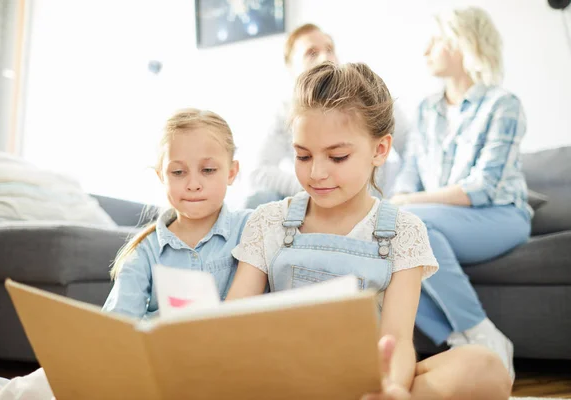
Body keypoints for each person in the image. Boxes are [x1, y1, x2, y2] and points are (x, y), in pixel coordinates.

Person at [227, 61, 512, 400]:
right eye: (303, 156)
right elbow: (232, 322)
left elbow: (397, 338)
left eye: (337, 157)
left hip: (365, 385)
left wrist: (391, 388)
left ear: (380, 149)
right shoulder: (269, 221)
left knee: (485, 367)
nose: (316, 173)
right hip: (285, 382)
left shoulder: (404, 231)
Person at [0, 108, 251, 398]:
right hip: (150, 365)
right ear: (161, 176)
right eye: (178, 172)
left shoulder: (251, 227)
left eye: (208, 170)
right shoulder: (145, 251)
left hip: (213, 370)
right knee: (63, 376)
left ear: (231, 172)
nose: (193, 183)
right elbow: (116, 326)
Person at [390, 7, 531, 381]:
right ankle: (465, 337)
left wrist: (405, 204)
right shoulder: (424, 110)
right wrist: (397, 201)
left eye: (435, 41)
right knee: (387, 237)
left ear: (463, 43)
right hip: (442, 217)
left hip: (501, 215)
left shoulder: (503, 104)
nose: (426, 51)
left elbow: (482, 188)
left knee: (412, 223)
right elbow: (410, 173)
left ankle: (485, 335)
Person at [246, 23, 408, 208]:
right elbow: (258, 172)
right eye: (311, 53)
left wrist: (402, 194)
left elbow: (413, 151)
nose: (325, 57)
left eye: (330, 49)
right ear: (291, 67)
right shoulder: (284, 112)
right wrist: (315, 187)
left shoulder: (372, 98)